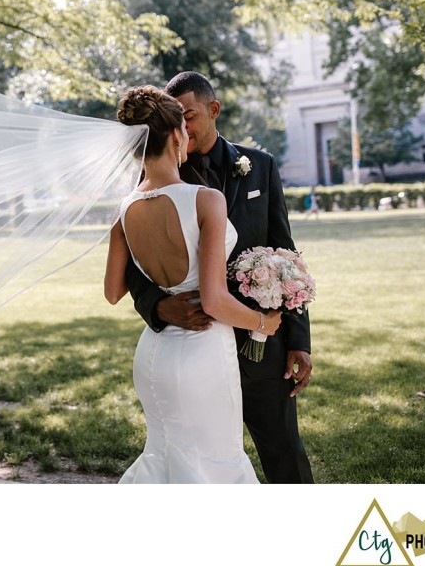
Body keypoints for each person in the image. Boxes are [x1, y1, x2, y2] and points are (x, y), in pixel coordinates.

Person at [125, 72, 314, 484]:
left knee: (285, 452)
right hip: (197, 343)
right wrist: (158, 306)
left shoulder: (259, 166)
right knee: (205, 460)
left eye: (188, 115)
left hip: (262, 344)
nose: (182, 127)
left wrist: (298, 340)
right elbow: (130, 266)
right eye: (175, 118)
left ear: (213, 110)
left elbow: (286, 253)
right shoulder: (158, 178)